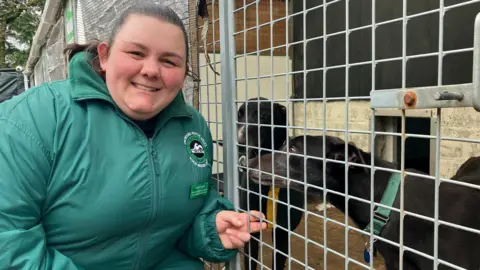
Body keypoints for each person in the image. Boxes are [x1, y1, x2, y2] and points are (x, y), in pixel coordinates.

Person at [0, 3, 266, 269]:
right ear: (104, 56)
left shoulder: (192, 126)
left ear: (185, 71)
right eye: (136, 53)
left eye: (169, 61)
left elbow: (185, 216)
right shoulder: (31, 119)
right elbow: (9, 245)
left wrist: (209, 229)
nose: (151, 70)